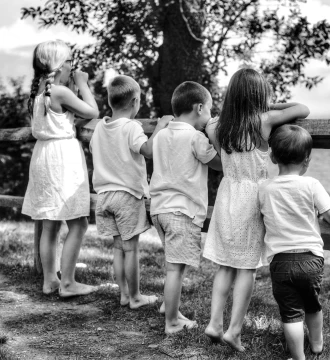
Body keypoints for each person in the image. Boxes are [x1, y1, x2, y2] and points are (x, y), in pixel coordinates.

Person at [203, 68, 310, 351]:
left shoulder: (215, 126)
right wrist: (272, 105)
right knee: (247, 268)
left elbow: (221, 160)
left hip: (227, 194)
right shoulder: (264, 120)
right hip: (252, 198)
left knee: (225, 264)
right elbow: (303, 108)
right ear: (258, 96)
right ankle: (234, 330)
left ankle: (215, 322)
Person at [22, 40, 99, 297]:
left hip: (43, 156)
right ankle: (68, 283)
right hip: (62, 159)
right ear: (58, 64)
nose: (71, 67)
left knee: (50, 225)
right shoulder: (60, 92)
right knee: (78, 222)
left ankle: (50, 281)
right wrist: (83, 84)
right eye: (69, 62)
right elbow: (93, 110)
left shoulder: (39, 91)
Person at [259, 124, 330, 360]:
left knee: (291, 313)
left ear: (273, 156)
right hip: (311, 259)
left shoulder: (264, 188)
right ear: (306, 161)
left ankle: (298, 357)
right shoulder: (312, 184)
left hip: (281, 262)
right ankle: (317, 345)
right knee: (312, 305)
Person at [90, 75, 172, 309]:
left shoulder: (99, 128)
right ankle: (135, 297)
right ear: (135, 101)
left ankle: (124, 294)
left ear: (109, 101)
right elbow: (146, 149)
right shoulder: (131, 126)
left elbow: (93, 148)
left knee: (118, 248)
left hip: (104, 196)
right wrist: (159, 127)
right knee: (131, 249)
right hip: (126, 196)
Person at [150, 81, 222, 334]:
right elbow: (220, 165)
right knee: (175, 269)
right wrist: (214, 136)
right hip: (182, 211)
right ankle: (171, 322)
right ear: (199, 107)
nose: (211, 116)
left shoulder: (160, 136)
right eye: (210, 111)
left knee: (172, 264)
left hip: (158, 209)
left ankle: (170, 308)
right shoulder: (195, 138)